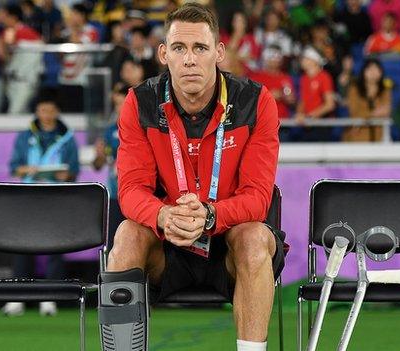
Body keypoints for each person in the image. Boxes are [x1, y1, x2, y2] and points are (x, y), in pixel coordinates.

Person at [106, 4, 285, 351]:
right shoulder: (139, 103)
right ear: (163, 54)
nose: (190, 60)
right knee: (127, 234)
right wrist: (163, 214)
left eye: (200, 48)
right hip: (167, 243)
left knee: (253, 237)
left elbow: (257, 197)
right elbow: (130, 191)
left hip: (231, 244)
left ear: (218, 52)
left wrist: (210, 215)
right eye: (179, 48)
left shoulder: (255, 102)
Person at [4, 94, 80, 316]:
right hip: (29, 195)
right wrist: (30, 170)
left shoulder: (67, 138)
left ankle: (50, 297)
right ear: (37, 112)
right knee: (21, 245)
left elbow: (73, 171)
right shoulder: (25, 136)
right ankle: (18, 296)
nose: (45, 115)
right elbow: (14, 167)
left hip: (56, 196)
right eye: (42, 110)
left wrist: (63, 174)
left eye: (50, 110)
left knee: (55, 246)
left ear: (56, 112)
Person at [92, 82, 128, 242]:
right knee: (115, 240)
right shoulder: (110, 131)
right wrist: (99, 155)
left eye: (123, 103)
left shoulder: (145, 128)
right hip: (115, 194)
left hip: (140, 194)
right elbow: (98, 165)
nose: (119, 108)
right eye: (117, 104)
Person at [293, 46, 337, 142]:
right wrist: (299, 113)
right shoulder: (303, 78)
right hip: (307, 125)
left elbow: (330, 104)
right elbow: (302, 101)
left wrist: (310, 116)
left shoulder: (324, 77)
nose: (302, 60)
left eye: (306, 58)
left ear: (314, 60)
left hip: (321, 124)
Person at [343, 59, 392, 142]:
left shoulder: (385, 91)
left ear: (381, 73)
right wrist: (374, 113)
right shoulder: (354, 89)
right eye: (370, 69)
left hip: (379, 135)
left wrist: (366, 115)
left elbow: (386, 111)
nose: (373, 72)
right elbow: (354, 112)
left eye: (377, 69)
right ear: (364, 71)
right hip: (357, 135)